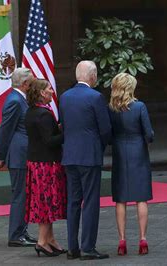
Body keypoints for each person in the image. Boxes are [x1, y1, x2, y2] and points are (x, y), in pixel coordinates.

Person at [59, 61, 111, 260]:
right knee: (90, 202)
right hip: (89, 156)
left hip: (70, 155)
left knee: (73, 202)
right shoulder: (96, 97)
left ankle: (73, 247)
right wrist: (101, 146)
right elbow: (105, 129)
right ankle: (88, 247)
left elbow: (64, 124)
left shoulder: (64, 97)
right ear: (93, 76)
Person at [108, 73, 154, 256]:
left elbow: (108, 133)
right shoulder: (140, 106)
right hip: (138, 151)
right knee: (141, 198)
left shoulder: (110, 109)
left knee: (120, 198)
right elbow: (148, 133)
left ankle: (122, 240)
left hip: (119, 151)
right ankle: (143, 238)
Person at [0, 68, 38, 247]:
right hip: (19, 155)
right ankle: (15, 235)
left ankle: (22, 231)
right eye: (31, 81)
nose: (33, 84)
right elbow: (5, 130)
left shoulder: (20, 99)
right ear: (24, 83)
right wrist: (1, 156)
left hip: (23, 153)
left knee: (25, 195)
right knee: (20, 195)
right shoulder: (14, 101)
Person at [24, 79, 66, 257]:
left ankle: (50, 239)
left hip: (36, 163)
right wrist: (65, 133)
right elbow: (50, 141)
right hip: (46, 165)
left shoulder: (31, 112)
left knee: (44, 202)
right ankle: (42, 241)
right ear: (42, 93)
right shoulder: (44, 115)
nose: (51, 91)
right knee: (46, 203)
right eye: (49, 89)